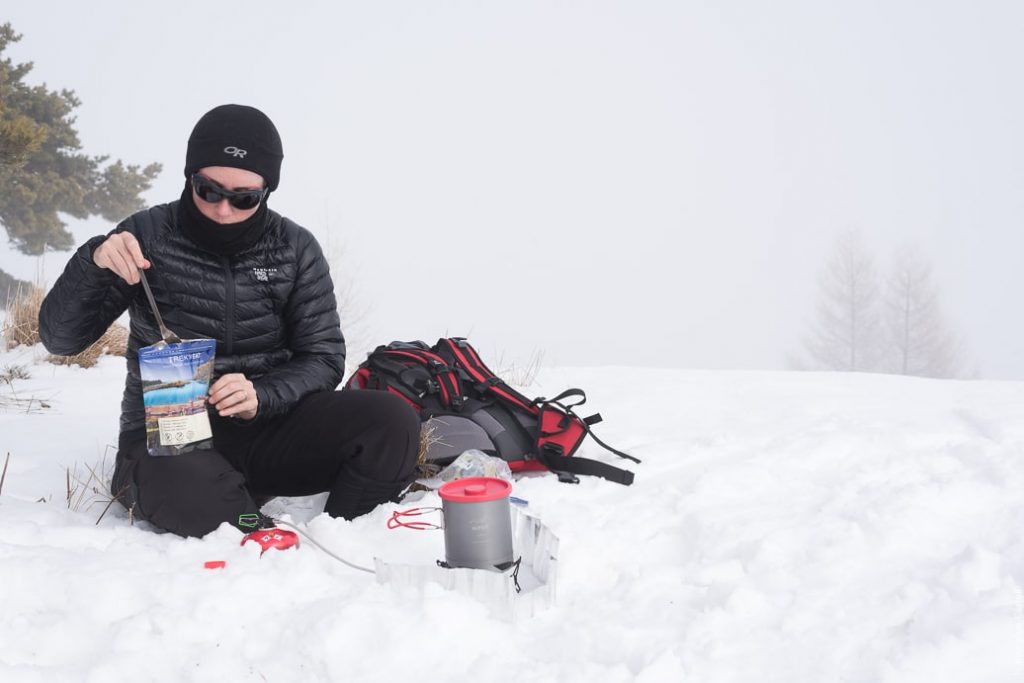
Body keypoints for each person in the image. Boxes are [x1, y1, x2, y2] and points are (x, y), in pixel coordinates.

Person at [39, 104, 420, 544]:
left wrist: (263, 394)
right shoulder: (145, 235)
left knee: (392, 421)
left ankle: (345, 536)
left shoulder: (295, 248)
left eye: (243, 198)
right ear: (189, 177)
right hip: (168, 439)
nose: (223, 210)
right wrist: (95, 262)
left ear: (266, 191)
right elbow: (61, 339)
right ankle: (256, 532)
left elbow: (324, 357)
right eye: (208, 190)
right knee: (187, 483)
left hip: (269, 429)